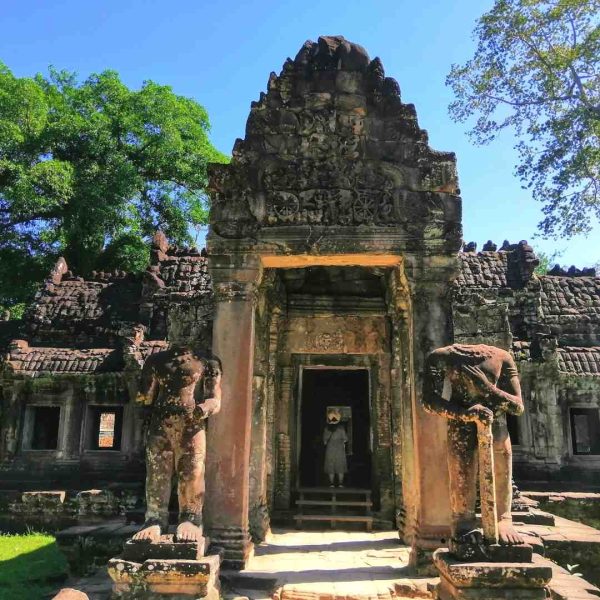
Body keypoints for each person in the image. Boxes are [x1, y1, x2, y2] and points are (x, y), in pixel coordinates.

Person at [422, 344, 524, 548]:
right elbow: (429, 401)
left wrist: (487, 389)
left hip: (497, 428)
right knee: (462, 477)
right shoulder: (441, 357)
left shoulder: (502, 356)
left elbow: (517, 406)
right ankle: (463, 523)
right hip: (461, 428)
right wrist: (466, 414)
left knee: (501, 471)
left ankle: (504, 519)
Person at [131, 344, 222, 544]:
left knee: (192, 472)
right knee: (157, 473)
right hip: (160, 424)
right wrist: (143, 406)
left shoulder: (207, 361)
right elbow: (145, 396)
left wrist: (204, 409)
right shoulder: (155, 361)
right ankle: (155, 519)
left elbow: (215, 398)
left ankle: (191, 519)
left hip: (192, 424)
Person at [323, 408, 348, 487]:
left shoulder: (327, 429)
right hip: (340, 450)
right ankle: (340, 484)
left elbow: (324, 441)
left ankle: (332, 484)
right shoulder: (341, 429)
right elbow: (345, 439)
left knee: (331, 467)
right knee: (340, 467)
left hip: (330, 450)